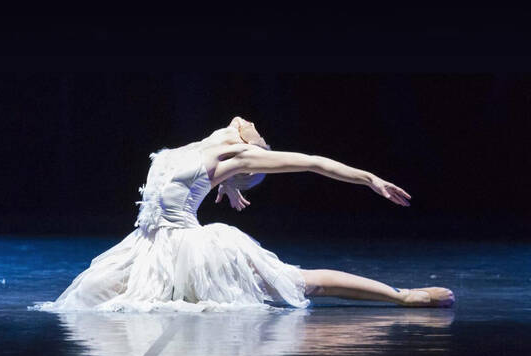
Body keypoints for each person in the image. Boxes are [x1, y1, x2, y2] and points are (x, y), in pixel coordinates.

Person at [35, 116, 454, 313]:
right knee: (91, 299)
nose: (252, 123)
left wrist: (368, 179)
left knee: (299, 282)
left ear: (252, 157)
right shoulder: (198, 147)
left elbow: (312, 162)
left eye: (261, 138)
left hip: (190, 250)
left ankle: (401, 296)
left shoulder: (236, 153)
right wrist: (229, 183)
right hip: (147, 250)